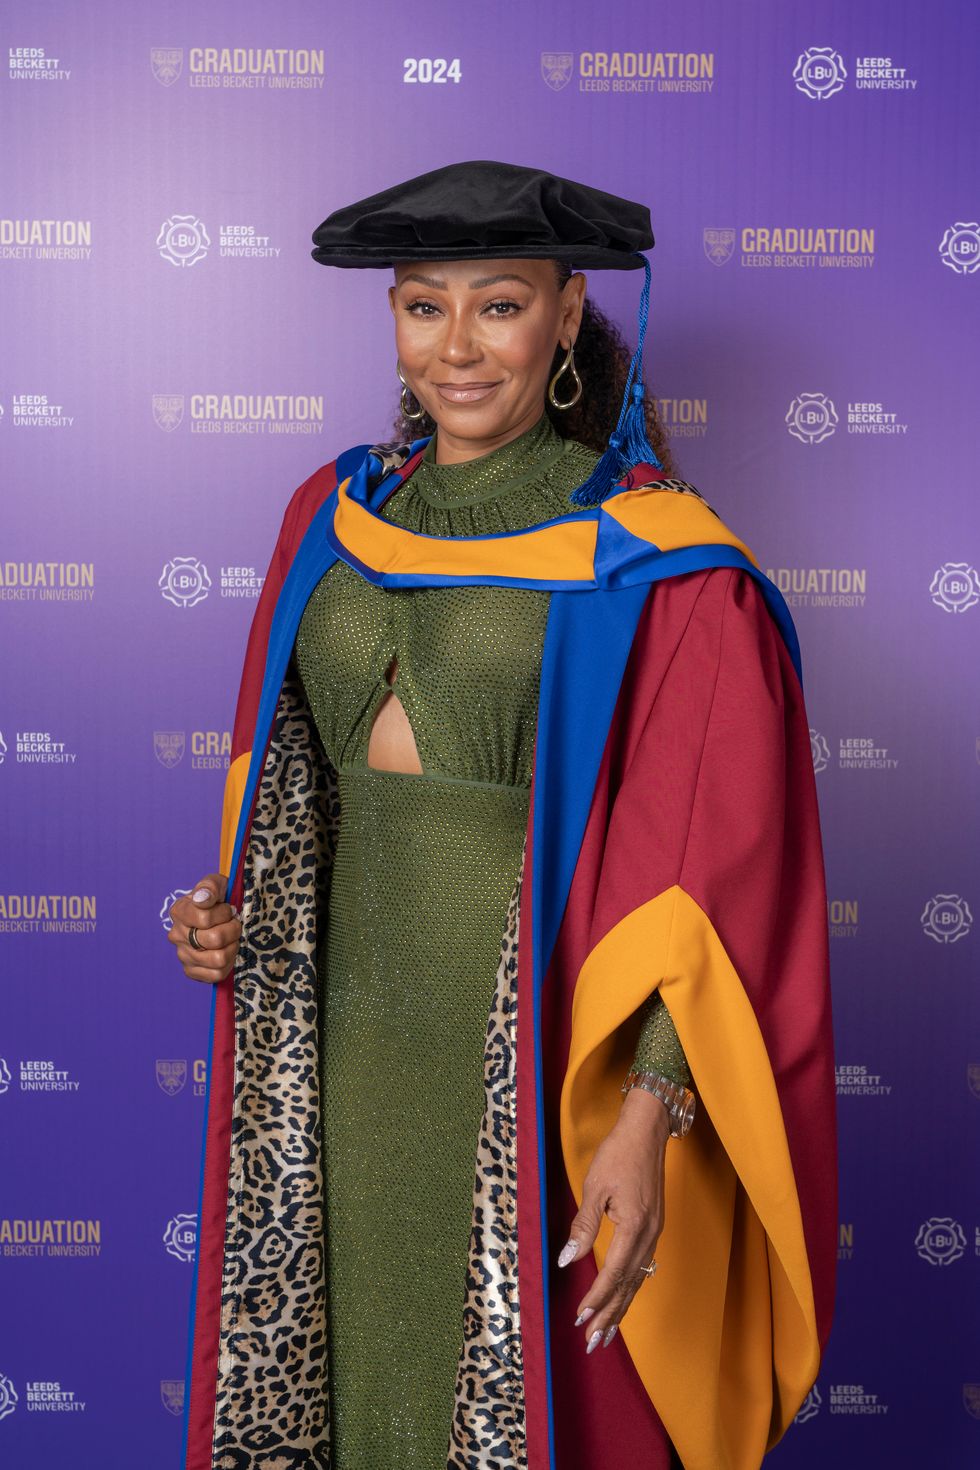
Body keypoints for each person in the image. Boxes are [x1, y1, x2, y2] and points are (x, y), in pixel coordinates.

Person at [169, 161, 837, 1470]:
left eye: (500, 305)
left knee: (522, 1393)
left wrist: (646, 1114)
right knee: (345, 1373)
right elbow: (292, 789)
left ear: (567, 313)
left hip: (534, 1042)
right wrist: (229, 911)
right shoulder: (334, 514)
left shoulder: (651, 556)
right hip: (339, 1040)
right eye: (425, 306)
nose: (459, 348)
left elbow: (709, 867)